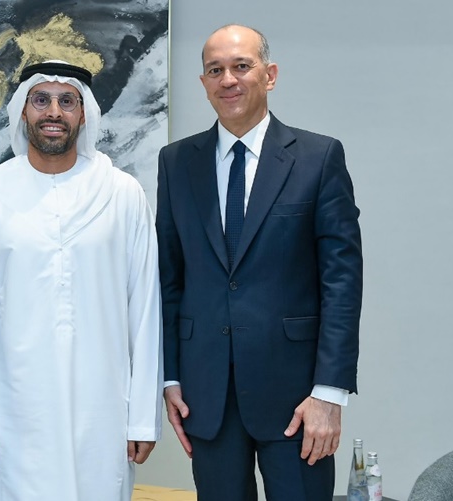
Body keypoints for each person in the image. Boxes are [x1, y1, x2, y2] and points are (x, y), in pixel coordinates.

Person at [156, 25, 363, 500]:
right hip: (207, 395)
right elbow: (170, 279)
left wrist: (330, 393)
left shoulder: (318, 157)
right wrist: (170, 376)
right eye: (215, 70)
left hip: (299, 399)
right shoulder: (176, 162)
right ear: (204, 83)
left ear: (269, 75)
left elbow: (342, 283)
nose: (228, 79)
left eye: (241, 66)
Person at [0, 61, 163, 501]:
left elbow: (145, 311)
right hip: (10, 418)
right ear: (22, 111)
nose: (53, 112)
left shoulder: (122, 194)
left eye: (67, 101)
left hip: (102, 417)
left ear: (84, 114)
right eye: (41, 99)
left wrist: (143, 418)